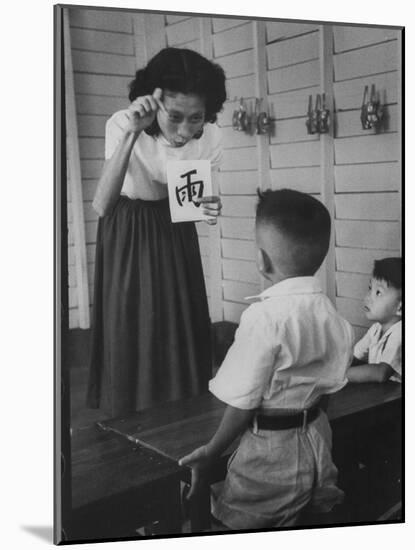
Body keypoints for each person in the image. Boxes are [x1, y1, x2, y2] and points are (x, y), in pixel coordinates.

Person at [179, 188, 354, 529]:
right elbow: (329, 387)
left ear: (262, 259)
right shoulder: (333, 315)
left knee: (239, 524)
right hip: (319, 441)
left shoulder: (263, 318)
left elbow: (242, 403)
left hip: (270, 454)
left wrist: (213, 450)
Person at [86, 48, 227, 416]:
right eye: (175, 117)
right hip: (128, 224)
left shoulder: (210, 137)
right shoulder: (122, 122)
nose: (185, 131)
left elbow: (191, 202)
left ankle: (182, 405)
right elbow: (102, 204)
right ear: (153, 101)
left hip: (174, 228)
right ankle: (132, 410)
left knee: (178, 314)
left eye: (195, 118)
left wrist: (210, 206)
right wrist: (133, 133)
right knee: (135, 316)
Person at [347, 257, 402, 384]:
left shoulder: (400, 332)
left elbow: (380, 373)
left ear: (401, 307)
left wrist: (338, 376)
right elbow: (354, 358)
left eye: (378, 293)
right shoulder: (376, 329)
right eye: (370, 288)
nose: (367, 297)